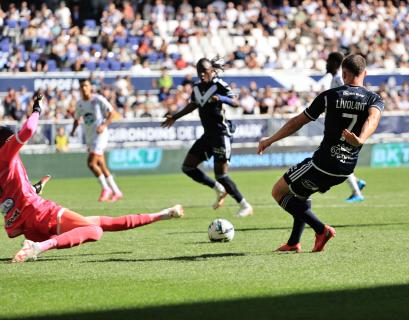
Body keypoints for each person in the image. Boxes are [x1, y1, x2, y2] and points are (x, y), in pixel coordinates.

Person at [1, 94, 184, 263]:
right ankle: (38, 247)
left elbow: (9, 198)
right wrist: (37, 110)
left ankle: (164, 214)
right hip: (38, 212)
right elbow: (29, 129)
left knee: (104, 222)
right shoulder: (5, 154)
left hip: (27, 225)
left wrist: (34, 188)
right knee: (94, 231)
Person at [258, 54, 384, 252]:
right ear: (365, 73)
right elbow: (373, 119)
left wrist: (270, 140)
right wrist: (360, 139)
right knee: (300, 195)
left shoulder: (330, 96)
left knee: (278, 191)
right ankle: (293, 243)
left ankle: (321, 229)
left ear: (343, 74)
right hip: (346, 168)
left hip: (323, 163)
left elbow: (297, 122)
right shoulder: (374, 98)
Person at [162, 57, 253, 217]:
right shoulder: (197, 87)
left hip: (221, 135)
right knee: (188, 167)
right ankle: (218, 188)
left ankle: (245, 205)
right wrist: (175, 116)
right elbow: (193, 104)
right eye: (199, 72)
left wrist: (221, 98)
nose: (202, 74)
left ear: (211, 70)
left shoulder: (219, 84)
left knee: (221, 174)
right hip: (207, 135)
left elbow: (236, 102)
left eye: (205, 71)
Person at [318, 52, 367, 202]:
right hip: (340, 123)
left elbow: (348, 96)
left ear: (335, 63)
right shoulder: (337, 78)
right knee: (340, 156)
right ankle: (356, 184)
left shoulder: (339, 78)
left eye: (329, 61)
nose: (327, 64)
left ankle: (356, 191)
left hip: (342, 125)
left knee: (339, 156)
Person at [70, 79, 123, 202]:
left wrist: (104, 125)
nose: (84, 88)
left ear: (90, 88)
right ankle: (117, 191)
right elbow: (77, 119)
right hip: (90, 137)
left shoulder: (97, 99)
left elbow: (112, 113)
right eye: (82, 86)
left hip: (100, 135)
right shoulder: (80, 104)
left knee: (91, 163)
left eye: (86, 86)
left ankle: (106, 189)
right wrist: (73, 130)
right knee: (101, 165)